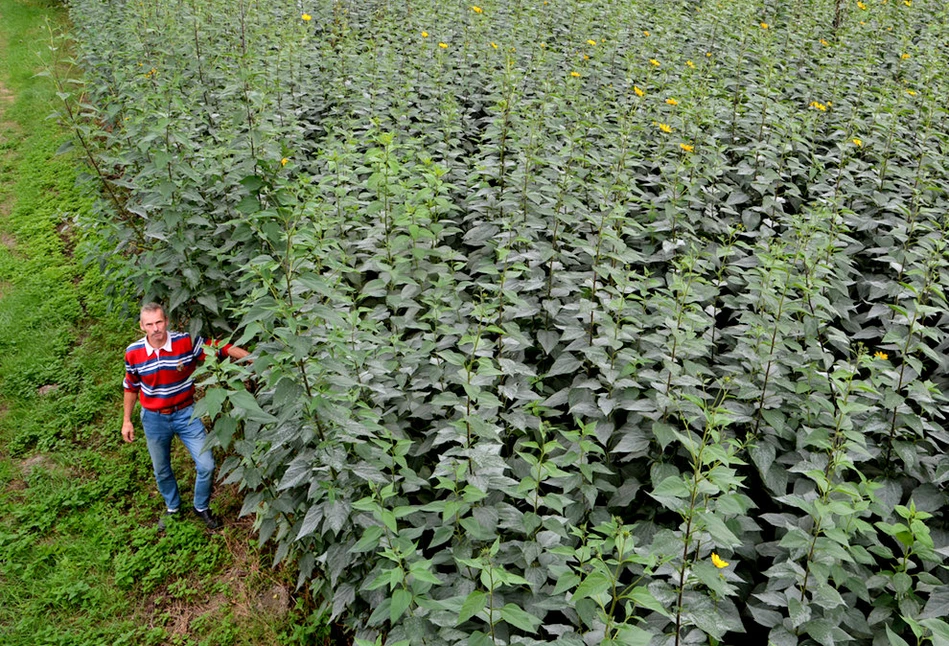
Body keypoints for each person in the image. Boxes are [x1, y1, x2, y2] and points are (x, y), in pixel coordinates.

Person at [121, 302, 250, 531]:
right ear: (142, 327)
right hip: (154, 418)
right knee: (161, 468)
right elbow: (131, 387)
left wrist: (250, 358)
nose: (156, 328)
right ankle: (172, 507)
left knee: (207, 464)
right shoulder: (134, 353)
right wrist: (127, 421)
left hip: (186, 413)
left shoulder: (185, 341)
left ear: (167, 322)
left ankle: (201, 506)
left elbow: (217, 348)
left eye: (159, 322)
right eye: (149, 324)